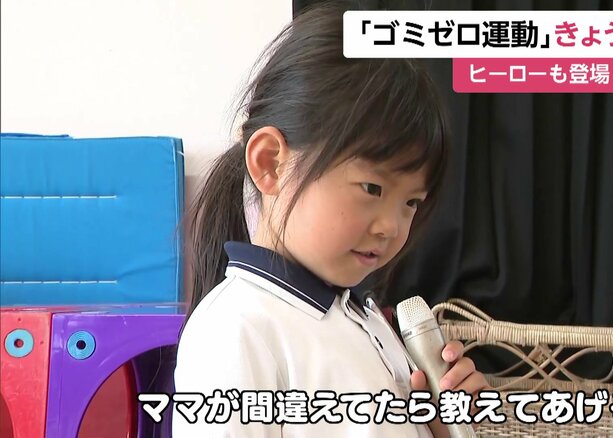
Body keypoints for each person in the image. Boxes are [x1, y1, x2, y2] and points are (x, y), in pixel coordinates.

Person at [173, 2, 488, 436]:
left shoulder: (364, 316)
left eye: (412, 202)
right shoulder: (236, 329)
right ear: (270, 163)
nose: (391, 227)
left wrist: (437, 426)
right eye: (372, 188)